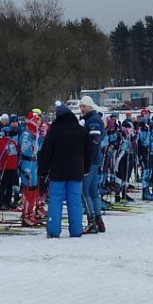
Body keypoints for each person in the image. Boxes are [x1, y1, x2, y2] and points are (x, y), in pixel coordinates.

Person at [37, 103, 91, 238]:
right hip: (76, 172)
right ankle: (76, 229)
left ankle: (54, 230)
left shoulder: (54, 131)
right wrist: (86, 169)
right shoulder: (81, 131)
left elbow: (45, 153)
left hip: (57, 172)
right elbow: (89, 152)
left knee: (55, 200)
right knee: (75, 201)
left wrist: (42, 172)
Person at [78, 96, 105, 233]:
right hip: (95, 159)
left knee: (85, 190)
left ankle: (92, 220)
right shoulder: (91, 119)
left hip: (91, 160)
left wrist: (87, 161)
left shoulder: (93, 121)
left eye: (84, 106)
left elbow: (94, 141)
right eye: (80, 106)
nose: (81, 109)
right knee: (94, 191)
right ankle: (99, 219)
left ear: (90, 107)